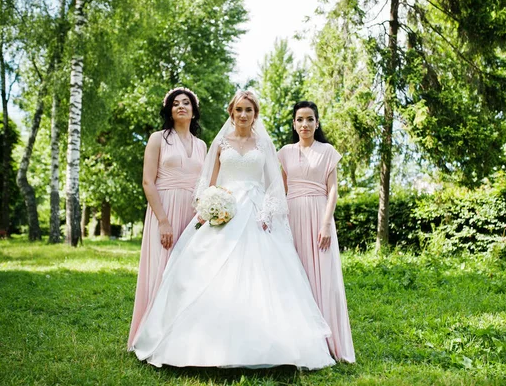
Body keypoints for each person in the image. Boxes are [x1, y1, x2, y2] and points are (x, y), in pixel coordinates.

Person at [130, 91, 335, 369]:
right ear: (231, 112)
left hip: (257, 212)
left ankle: (274, 345)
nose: (243, 115)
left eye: (248, 110)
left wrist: (267, 212)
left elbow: (274, 184)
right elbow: (207, 182)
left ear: (255, 114)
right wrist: (210, 206)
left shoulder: (264, 144)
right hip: (225, 210)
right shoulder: (220, 143)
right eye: (238, 109)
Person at [127, 87, 207, 349]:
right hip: (165, 208)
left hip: (192, 213)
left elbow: (204, 183)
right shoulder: (158, 139)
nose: (181, 106)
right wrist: (163, 220)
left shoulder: (201, 145)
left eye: (186, 103)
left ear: (194, 110)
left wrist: (204, 212)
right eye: (175, 104)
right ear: (169, 111)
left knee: (187, 273)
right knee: (162, 270)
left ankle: (181, 339)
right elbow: (148, 182)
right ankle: (152, 336)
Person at [277, 101, 355, 363]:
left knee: (324, 277)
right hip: (293, 216)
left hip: (320, 214)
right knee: (296, 276)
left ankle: (331, 343)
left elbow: (332, 190)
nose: (305, 124)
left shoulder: (328, 151)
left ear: (317, 123)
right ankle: (301, 343)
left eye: (310, 119)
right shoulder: (285, 152)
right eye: (300, 120)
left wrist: (325, 223)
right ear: (294, 124)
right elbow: (283, 190)